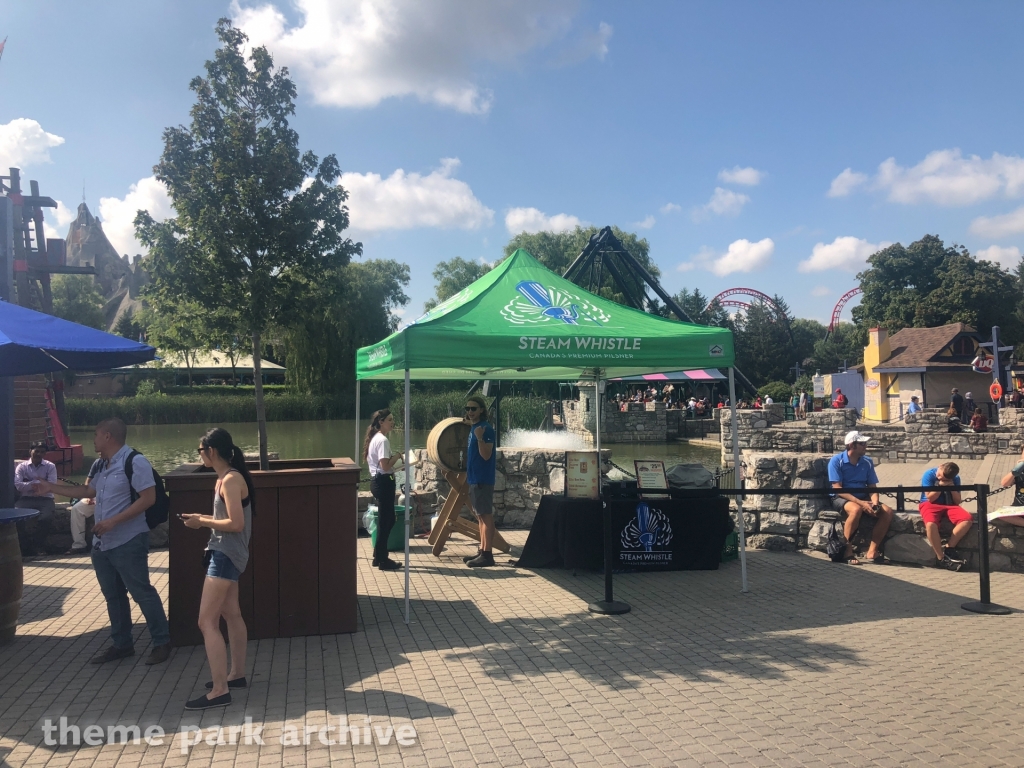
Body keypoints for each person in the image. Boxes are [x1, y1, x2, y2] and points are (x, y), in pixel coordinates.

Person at [40, 418, 171, 665]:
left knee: (141, 592)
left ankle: (162, 642)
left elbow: (149, 498)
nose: (93, 440)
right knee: (113, 595)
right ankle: (122, 644)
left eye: (97, 435)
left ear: (108, 436)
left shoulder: (135, 461)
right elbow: (88, 492)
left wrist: (113, 521)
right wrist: (49, 486)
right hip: (103, 545)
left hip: (129, 540)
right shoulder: (102, 464)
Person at [181, 428, 255, 710]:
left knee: (206, 622)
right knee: (231, 613)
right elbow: (228, 518)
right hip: (227, 553)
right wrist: (203, 518)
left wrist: (202, 523)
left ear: (211, 451)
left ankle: (220, 690)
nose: (199, 456)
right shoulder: (226, 478)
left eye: (200, 451)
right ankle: (236, 675)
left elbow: (237, 524)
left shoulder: (231, 480)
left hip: (225, 555)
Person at [827, 431, 893, 564]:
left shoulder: (867, 461)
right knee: (856, 509)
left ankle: (872, 551)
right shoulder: (836, 461)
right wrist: (862, 503)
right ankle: (847, 551)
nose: (866, 446)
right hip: (842, 497)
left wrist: (874, 503)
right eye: (862, 443)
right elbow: (838, 489)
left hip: (863, 496)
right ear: (852, 445)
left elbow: (872, 487)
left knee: (887, 512)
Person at [363, 409, 402, 571]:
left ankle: (378, 556)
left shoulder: (375, 438)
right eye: (390, 420)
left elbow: (382, 465)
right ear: (381, 422)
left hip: (378, 481)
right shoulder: (383, 440)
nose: (392, 422)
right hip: (383, 482)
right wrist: (398, 456)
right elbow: (385, 465)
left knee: (385, 520)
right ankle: (383, 559)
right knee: (387, 520)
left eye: (393, 419)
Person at [464, 395, 497, 568]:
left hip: (483, 478)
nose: (470, 411)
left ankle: (488, 554)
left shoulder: (485, 429)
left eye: (473, 409)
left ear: (482, 410)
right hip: (474, 478)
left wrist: (480, 438)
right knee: (480, 517)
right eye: (467, 409)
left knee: (485, 515)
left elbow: (486, 455)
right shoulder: (475, 427)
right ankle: (482, 549)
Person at [919, 462, 971, 570]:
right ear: (940, 466)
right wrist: (939, 486)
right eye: (939, 475)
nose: (938, 477)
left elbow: (957, 501)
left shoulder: (955, 478)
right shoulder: (928, 474)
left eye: (943, 478)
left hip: (949, 504)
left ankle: (949, 548)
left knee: (967, 519)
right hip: (930, 504)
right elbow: (930, 498)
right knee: (930, 525)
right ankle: (941, 558)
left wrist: (951, 488)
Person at [14, 442, 58, 553]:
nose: (39, 454)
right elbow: (18, 485)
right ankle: (23, 547)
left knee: (46, 518)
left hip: (45, 498)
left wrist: (28, 483)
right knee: (16, 518)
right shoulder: (22, 467)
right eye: (36, 451)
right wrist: (37, 483)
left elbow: (51, 484)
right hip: (26, 499)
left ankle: (38, 546)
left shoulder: (50, 466)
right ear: (30, 451)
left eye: (42, 452)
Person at [68, 458, 104, 554]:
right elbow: (88, 481)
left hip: (113, 499)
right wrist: (89, 496)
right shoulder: (98, 462)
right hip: (95, 496)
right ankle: (79, 545)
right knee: (77, 509)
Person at [997, 445, 1024, 527]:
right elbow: (1005, 483)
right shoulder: (1019, 470)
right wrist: (1015, 470)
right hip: (1019, 508)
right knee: (1000, 513)